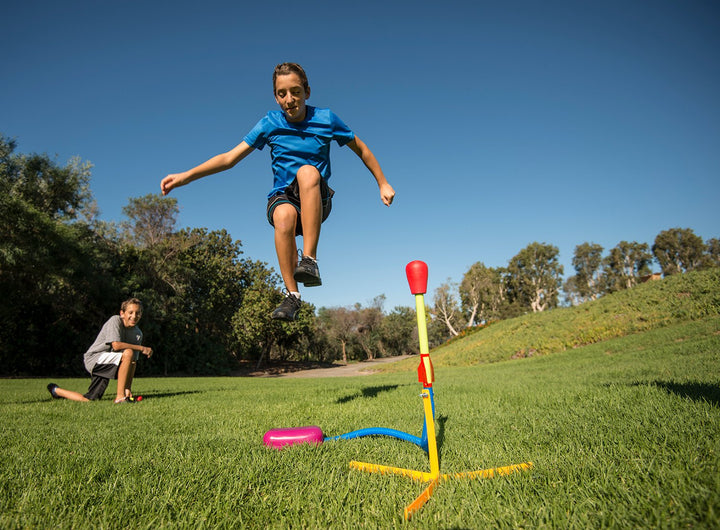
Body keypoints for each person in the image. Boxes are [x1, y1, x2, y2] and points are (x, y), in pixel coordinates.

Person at [160, 62, 395, 321]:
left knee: (307, 172)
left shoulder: (326, 119)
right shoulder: (269, 123)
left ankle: (310, 260)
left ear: (307, 91)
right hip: (283, 197)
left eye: (295, 91)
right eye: (282, 94)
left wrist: (382, 182)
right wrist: (186, 176)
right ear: (275, 96)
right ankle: (292, 296)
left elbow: (361, 148)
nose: (289, 99)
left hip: (316, 198)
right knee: (283, 217)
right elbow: (229, 158)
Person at [47, 298, 153, 404]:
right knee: (128, 352)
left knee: (90, 399)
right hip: (94, 359)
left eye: (137, 313)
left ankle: (55, 390)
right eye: (130, 312)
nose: (134, 316)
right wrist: (142, 348)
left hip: (111, 362)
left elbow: (132, 363)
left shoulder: (138, 334)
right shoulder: (115, 320)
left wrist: (128, 389)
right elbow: (116, 345)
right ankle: (119, 397)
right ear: (122, 313)